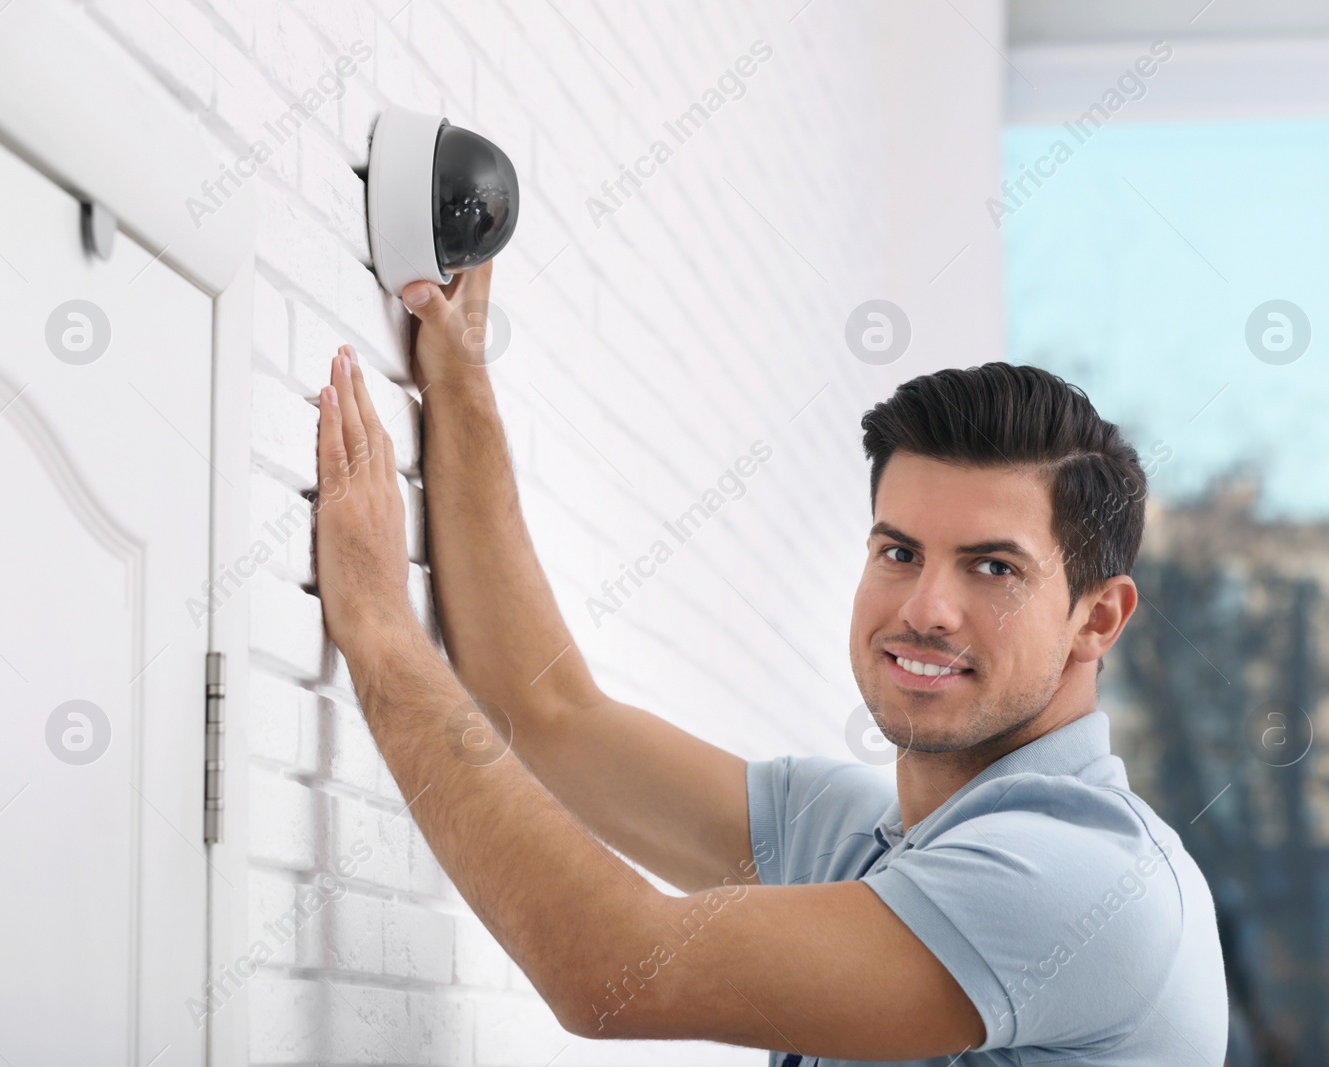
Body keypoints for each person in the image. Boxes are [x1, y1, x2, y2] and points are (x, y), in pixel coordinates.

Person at [312, 260, 1229, 1064]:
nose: (924, 608)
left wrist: (382, 632)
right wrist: (458, 379)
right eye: (899, 551)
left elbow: (608, 969)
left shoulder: (1085, 879)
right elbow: (548, 709)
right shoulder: (856, 841)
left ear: (1096, 618)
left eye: (994, 567)